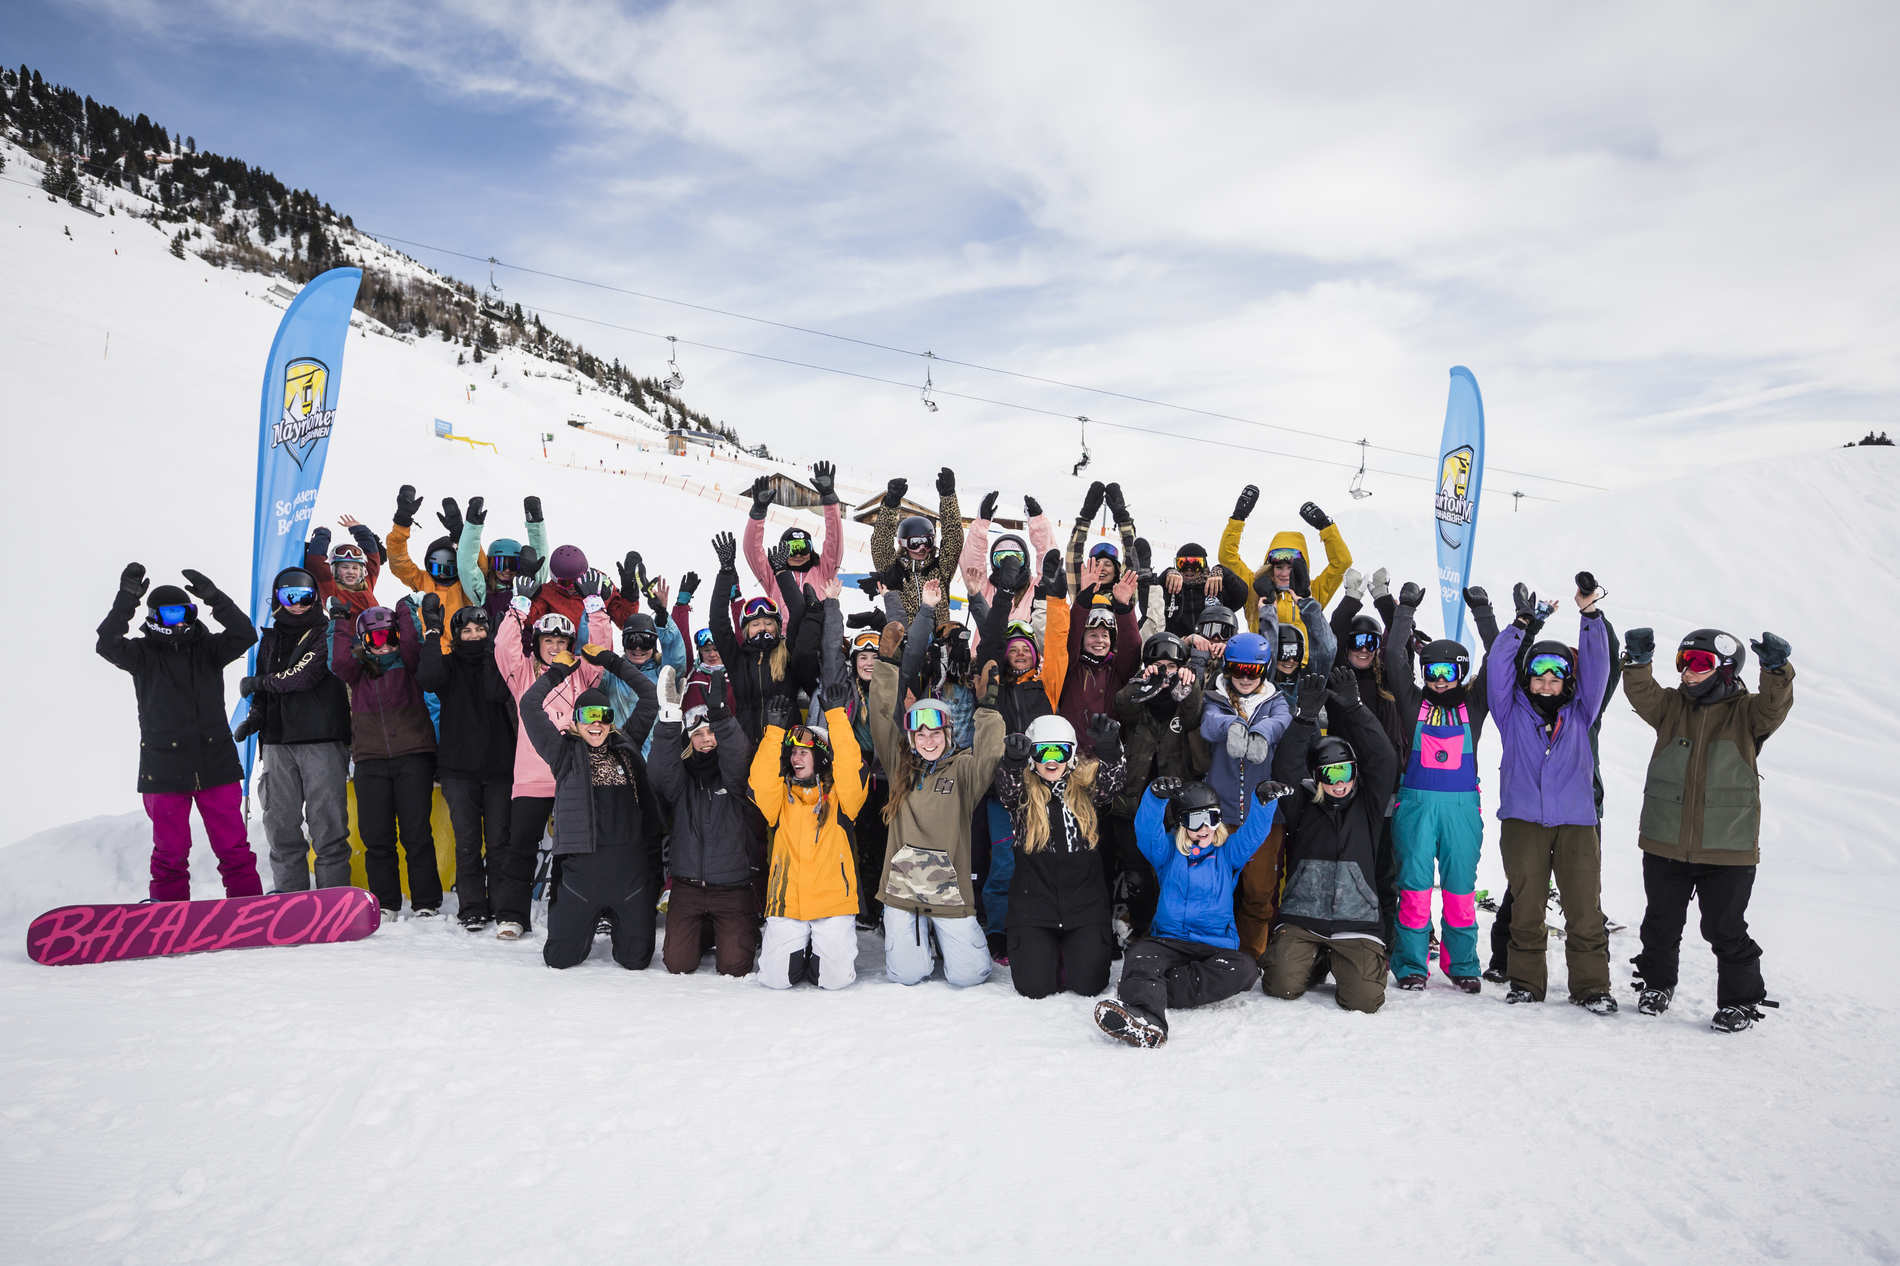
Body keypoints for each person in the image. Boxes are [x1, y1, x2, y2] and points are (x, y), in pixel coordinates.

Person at [1622, 626, 1795, 1032]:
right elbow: (1642, 693)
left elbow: (1775, 705)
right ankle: (1656, 984)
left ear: (1726, 669)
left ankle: (1740, 1001)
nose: (1688, 672)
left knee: (1724, 927)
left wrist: (1776, 669)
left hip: (1726, 845)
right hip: (1666, 839)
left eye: (1700, 664)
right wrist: (1638, 661)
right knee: (1661, 922)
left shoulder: (1747, 714)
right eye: (1684, 662)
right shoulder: (1670, 707)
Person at [98, 564, 263, 902]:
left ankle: (248, 909)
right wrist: (126, 600)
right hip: (163, 768)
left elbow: (245, 634)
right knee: (170, 853)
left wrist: (215, 599)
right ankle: (169, 917)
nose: (177, 620)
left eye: (182, 611)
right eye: (168, 613)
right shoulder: (141, 654)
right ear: (155, 616)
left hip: (215, 763)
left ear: (191, 611)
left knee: (233, 847)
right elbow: (107, 644)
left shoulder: (208, 650)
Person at [1489, 581, 1615, 1013]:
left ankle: (1592, 987)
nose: (1545, 684)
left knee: (1584, 909)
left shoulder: (1583, 713)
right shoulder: (1510, 713)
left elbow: (1599, 667)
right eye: (1539, 675)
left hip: (1577, 824)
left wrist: (1590, 617)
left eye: (1555, 676)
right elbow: (1499, 666)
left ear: (1567, 681)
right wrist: (1522, 625)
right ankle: (1525, 982)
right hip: (1524, 822)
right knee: (1526, 907)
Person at [1091, 775, 1287, 1048]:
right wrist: (1155, 799)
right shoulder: (1169, 853)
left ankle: (1148, 988)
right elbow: (1147, 833)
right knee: (1140, 955)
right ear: (1183, 823)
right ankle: (1149, 1020)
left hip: (1213, 945)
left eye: (1212, 817)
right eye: (1195, 820)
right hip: (1169, 941)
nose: (1205, 828)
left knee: (1244, 969)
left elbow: (1253, 834)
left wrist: (1263, 804)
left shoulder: (1227, 853)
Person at [868, 635, 1005, 986]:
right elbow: (882, 719)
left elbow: (990, 756)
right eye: (921, 734)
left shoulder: (963, 769)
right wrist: (886, 666)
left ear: (948, 733)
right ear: (912, 739)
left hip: (949, 893)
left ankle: (944, 937)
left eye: (936, 732)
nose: (929, 740)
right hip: (903, 891)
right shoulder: (899, 765)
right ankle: (920, 942)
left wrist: (988, 708)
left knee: (969, 977)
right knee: (906, 975)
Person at [750, 586, 870, 988]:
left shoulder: (840, 798)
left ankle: (822, 952)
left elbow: (853, 768)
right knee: (776, 981)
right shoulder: (780, 797)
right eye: (793, 753)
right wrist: (773, 735)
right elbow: (759, 784)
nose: (798, 757)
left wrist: (836, 716)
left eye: (806, 752)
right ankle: (797, 949)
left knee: (834, 981)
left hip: (832, 901)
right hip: (786, 901)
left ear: (820, 758)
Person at [1261, 668, 1400, 1013]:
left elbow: (1383, 759)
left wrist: (1355, 708)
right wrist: (1304, 718)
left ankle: (1341, 961)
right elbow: (1286, 768)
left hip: (1357, 922)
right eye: (1330, 774)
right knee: (1280, 985)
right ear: (1317, 777)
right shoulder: (1303, 805)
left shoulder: (1367, 806)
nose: (1339, 783)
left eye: (1346, 772)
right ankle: (1315, 957)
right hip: (1303, 918)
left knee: (1365, 1000)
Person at [517, 644, 662, 969]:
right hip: (582, 874)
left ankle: (621, 923)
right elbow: (529, 706)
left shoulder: (629, 745)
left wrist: (611, 662)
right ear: (576, 721)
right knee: (559, 959)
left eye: (603, 716)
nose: (596, 724)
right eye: (587, 716)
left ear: (611, 721)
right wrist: (557, 672)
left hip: (630, 872)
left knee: (635, 960)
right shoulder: (564, 754)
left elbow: (649, 696)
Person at [492, 570, 615, 939]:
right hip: (531, 780)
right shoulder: (523, 675)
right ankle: (512, 916)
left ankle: (571, 913)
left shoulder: (582, 674)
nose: (556, 645)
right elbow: (503, 647)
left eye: (563, 639)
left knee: (575, 854)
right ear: (539, 642)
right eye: (549, 639)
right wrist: (518, 607)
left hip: (573, 779)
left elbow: (603, 648)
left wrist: (595, 606)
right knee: (520, 850)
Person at [1382, 580, 1491, 992]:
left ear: (1462, 674)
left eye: (1448, 672)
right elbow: (1394, 657)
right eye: (1432, 672)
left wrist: (1483, 613)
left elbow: (1498, 661)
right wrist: (1405, 609)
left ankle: (1462, 963)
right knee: (1413, 887)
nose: (1440, 680)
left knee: (1461, 889)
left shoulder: (1474, 705)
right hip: (1417, 806)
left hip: (1461, 809)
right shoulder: (1413, 704)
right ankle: (1410, 963)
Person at [992, 713, 1128, 997]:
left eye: (1060, 751)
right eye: (1043, 751)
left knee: (1089, 985)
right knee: (1034, 987)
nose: (1051, 759)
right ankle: (1049, 953)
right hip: (1034, 905)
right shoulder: (1023, 792)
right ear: (1032, 756)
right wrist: (1012, 762)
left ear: (1072, 753)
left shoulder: (1087, 786)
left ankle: (1071, 953)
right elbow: (1006, 788)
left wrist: (1110, 749)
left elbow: (1113, 782)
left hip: (1084, 905)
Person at [242, 566, 352, 893]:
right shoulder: (271, 638)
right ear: (277, 598)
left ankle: (333, 896)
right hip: (276, 742)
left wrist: (259, 683)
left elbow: (303, 675)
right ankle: (291, 897)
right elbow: (263, 693)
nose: (297, 604)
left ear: (315, 597)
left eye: (304, 597)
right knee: (280, 824)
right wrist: (256, 717)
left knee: (327, 824)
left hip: (321, 738)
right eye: (289, 596)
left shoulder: (326, 631)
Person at [329, 601, 441, 919]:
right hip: (371, 760)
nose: (384, 645)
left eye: (389, 636)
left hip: (413, 757)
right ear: (364, 640)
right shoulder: (358, 672)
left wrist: (405, 614)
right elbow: (337, 661)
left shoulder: (409, 665)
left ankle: (426, 901)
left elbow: (409, 647)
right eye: (375, 639)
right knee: (377, 836)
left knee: (416, 832)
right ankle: (387, 901)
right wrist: (339, 622)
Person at [416, 598, 516, 929]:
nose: (474, 636)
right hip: (459, 771)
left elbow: (494, 692)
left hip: (500, 768)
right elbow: (427, 678)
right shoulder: (447, 666)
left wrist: (495, 645)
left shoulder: (499, 664)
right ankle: (472, 906)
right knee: (468, 842)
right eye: (467, 630)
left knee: (500, 842)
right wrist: (432, 632)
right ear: (457, 634)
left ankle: (504, 906)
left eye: (480, 629)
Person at [1198, 628, 1293, 958]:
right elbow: (1209, 723)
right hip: (1220, 815)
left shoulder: (1276, 702)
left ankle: (1252, 953)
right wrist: (1232, 726)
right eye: (1237, 669)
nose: (1244, 677)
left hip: (1263, 817)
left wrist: (1261, 732)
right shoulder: (1216, 698)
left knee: (1258, 888)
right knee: (1216, 886)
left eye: (1252, 670)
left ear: (1264, 669)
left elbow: (1282, 721)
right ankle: (1214, 948)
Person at [1107, 633, 1207, 944]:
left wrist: (1188, 686)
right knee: (1136, 875)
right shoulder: (1140, 696)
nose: (1164, 672)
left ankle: (1171, 930)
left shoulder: (1184, 695)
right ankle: (1141, 927)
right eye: (1157, 665)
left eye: (1171, 666)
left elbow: (1193, 717)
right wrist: (1143, 682)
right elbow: (1122, 706)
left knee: (1172, 872)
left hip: (1173, 808)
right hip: (1133, 804)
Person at [709, 531, 819, 742]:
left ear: (778, 629)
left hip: (785, 746)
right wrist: (726, 572)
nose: (763, 628)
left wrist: (781, 572)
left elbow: (798, 613)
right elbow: (718, 623)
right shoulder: (737, 659)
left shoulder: (788, 654)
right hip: (745, 745)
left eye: (769, 623)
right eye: (756, 624)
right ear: (745, 631)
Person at [1220, 491, 1353, 631]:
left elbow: (1342, 562)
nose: (1284, 573)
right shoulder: (1254, 588)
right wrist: (1238, 518)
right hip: (1262, 653)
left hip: (1304, 654)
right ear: (1270, 567)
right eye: (1279, 567)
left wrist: (1326, 527)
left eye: (1291, 568)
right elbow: (1227, 557)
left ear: (1301, 568)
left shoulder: (1312, 592)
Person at [741, 460, 846, 615]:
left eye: (803, 547)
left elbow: (834, 541)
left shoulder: (824, 571)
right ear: (783, 552)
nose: (798, 554)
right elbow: (752, 550)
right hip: (785, 637)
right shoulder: (772, 575)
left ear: (811, 550)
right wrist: (758, 512)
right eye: (792, 548)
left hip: (818, 636)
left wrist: (829, 498)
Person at [869, 469, 964, 625]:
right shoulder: (892, 570)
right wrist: (890, 505)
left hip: (937, 641)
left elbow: (954, 539)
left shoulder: (940, 569)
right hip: (903, 640)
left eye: (926, 543)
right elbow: (881, 543)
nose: (922, 549)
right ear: (904, 544)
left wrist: (948, 497)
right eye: (915, 543)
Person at [386, 485, 474, 653]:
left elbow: (475, 566)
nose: (440, 573)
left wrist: (461, 536)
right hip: (427, 654)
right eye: (435, 567)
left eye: (447, 569)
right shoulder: (422, 580)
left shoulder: (465, 585)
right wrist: (402, 522)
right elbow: (399, 562)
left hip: (458, 657)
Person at [959, 491, 1054, 638]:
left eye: (1016, 557)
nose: (1009, 563)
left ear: (1025, 561)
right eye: (1001, 557)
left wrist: (1038, 523)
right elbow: (972, 565)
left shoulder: (1035, 591)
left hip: (1025, 658)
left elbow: (1050, 562)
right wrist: (981, 524)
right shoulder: (986, 590)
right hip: (987, 659)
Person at [455, 494, 551, 624]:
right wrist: (473, 526)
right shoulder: (483, 591)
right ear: (492, 565)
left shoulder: (528, 586)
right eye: (500, 564)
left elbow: (540, 560)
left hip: (523, 642)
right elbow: (466, 566)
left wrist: (535, 523)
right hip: (492, 642)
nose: (506, 569)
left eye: (512, 564)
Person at [1159, 542, 1250, 639]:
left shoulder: (1215, 586)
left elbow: (1241, 595)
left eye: (1196, 564)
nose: (1189, 570)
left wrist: (1222, 571)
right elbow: (1148, 603)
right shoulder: (1169, 588)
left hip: (1213, 645)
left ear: (1204, 565)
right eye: (1183, 564)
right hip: (1175, 647)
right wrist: (1166, 574)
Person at [304, 517, 386, 617]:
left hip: (381, 627)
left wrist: (360, 530)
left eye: (355, 568)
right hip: (350, 631)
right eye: (345, 567)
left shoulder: (366, 582)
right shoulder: (330, 585)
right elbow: (315, 562)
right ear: (335, 570)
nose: (350, 572)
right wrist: (322, 535)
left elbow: (372, 555)